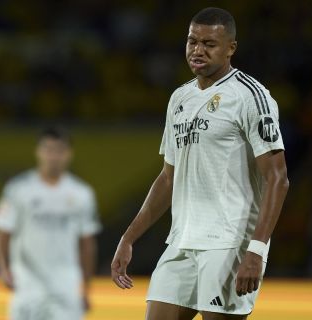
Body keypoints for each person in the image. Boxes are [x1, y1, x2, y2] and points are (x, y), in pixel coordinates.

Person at [111, 7, 289, 320]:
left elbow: (278, 178)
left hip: (230, 244)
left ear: (231, 48)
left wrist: (256, 250)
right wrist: (128, 238)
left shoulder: (250, 96)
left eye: (209, 44)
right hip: (182, 241)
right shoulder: (179, 98)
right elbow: (168, 178)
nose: (198, 50)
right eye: (193, 41)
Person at [0, 127, 101, 320]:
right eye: (48, 150)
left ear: (68, 154)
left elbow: (87, 243)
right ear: (38, 152)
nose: (53, 156)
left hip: (66, 284)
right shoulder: (19, 189)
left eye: (59, 150)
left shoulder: (82, 193)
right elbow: (2, 231)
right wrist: (3, 268)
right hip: (27, 283)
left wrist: (86, 287)